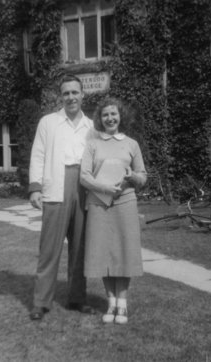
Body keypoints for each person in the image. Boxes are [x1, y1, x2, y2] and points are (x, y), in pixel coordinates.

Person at [28, 74, 96, 321]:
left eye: (75, 92)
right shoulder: (48, 122)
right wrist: (35, 187)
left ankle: (78, 298)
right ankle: (41, 302)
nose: (71, 97)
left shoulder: (91, 126)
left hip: (84, 188)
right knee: (49, 249)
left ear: (82, 94)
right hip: (56, 187)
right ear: (61, 96)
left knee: (80, 248)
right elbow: (38, 155)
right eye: (66, 93)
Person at [80, 97, 147, 324]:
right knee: (104, 252)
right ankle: (111, 303)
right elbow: (84, 177)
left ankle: (123, 304)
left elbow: (143, 177)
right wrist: (105, 187)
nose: (110, 118)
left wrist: (132, 176)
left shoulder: (131, 144)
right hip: (99, 203)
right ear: (99, 118)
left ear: (121, 116)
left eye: (114, 114)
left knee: (124, 251)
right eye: (105, 114)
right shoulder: (93, 144)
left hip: (125, 202)